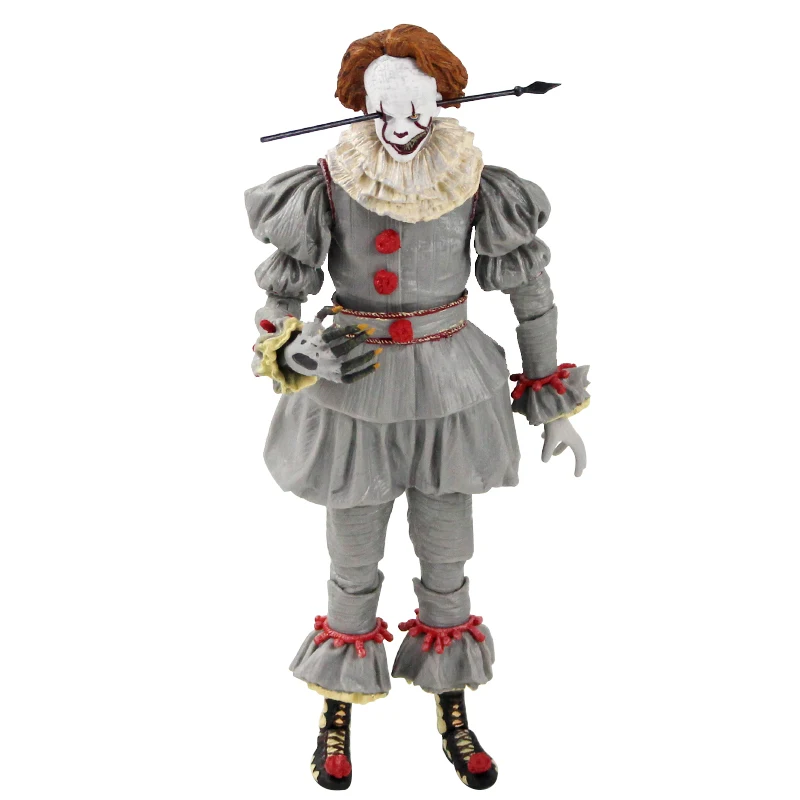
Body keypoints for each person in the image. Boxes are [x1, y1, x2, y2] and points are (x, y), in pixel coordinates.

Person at [245, 24, 589, 791]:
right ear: (359, 105)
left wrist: (551, 402)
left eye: (417, 104)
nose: (401, 123)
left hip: (450, 392)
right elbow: (278, 299)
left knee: (447, 555)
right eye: (383, 106)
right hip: (352, 390)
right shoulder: (327, 184)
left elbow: (532, 294)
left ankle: (451, 703)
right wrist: (289, 348)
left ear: (445, 100)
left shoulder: (476, 182)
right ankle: (338, 708)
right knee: (351, 564)